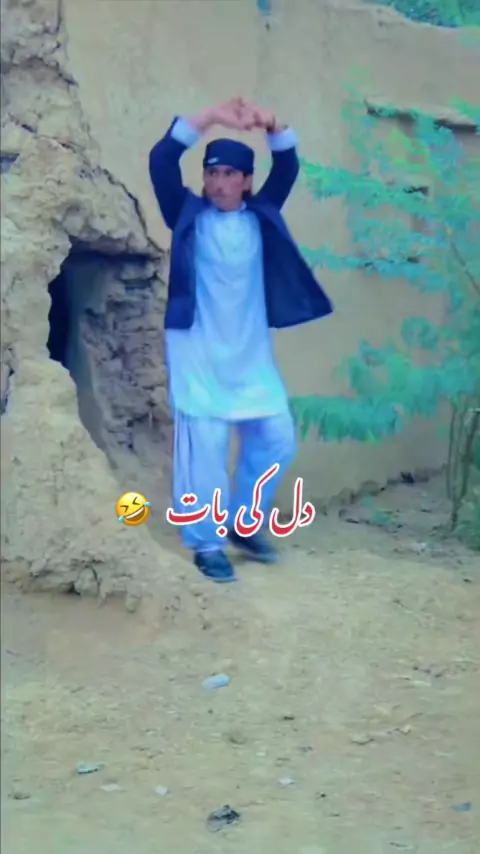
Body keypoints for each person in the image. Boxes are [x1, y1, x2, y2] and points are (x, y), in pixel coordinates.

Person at [149, 97, 332, 583]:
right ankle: (206, 543)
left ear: (247, 181)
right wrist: (209, 118)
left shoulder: (262, 213)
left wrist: (272, 125)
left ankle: (242, 521)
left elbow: (287, 165)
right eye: (212, 173)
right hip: (198, 351)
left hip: (250, 355)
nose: (218, 182)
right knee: (206, 448)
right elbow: (162, 160)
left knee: (277, 438)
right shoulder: (186, 214)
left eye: (229, 174)